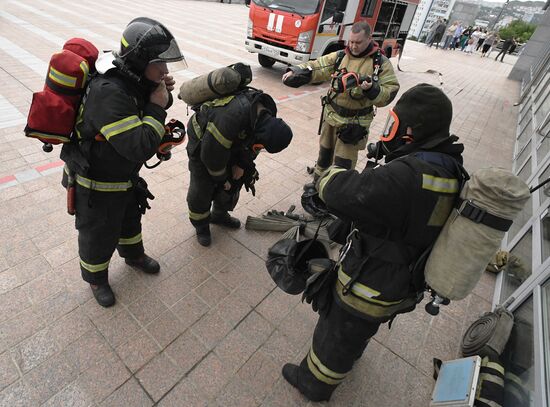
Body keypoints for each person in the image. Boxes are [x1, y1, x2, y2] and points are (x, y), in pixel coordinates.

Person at [281, 83, 466, 402]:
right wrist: (386, 158)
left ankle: (314, 383)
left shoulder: (407, 175)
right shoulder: (448, 168)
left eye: (392, 124)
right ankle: (349, 353)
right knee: (358, 330)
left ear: (408, 130)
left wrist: (335, 167)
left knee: (336, 333)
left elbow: (342, 194)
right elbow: (403, 204)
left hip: (369, 282)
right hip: (401, 281)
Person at [61, 17, 186, 307]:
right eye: (160, 63)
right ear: (141, 60)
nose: (165, 70)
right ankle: (96, 278)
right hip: (97, 182)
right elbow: (139, 147)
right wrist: (156, 106)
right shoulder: (109, 92)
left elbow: (147, 104)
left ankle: (133, 255)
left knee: (130, 218)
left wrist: (158, 94)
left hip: (122, 176)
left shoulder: (134, 77)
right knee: (98, 232)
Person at [281, 21, 399, 192]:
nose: (353, 46)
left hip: (353, 125)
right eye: (351, 41)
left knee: (343, 164)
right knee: (324, 155)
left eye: (358, 42)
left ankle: (334, 197)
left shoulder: (379, 64)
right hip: (331, 118)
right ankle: (317, 185)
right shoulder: (340, 56)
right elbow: (317, 66)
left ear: (369, 39)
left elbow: (390, 92)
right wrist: (296, 71)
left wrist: (372, 89)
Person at [186, 88, 293, 246]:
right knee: (202, 186)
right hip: (204, 142)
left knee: (236, 180)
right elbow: (211, 157)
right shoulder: (230, 117)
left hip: (231, 140)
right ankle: (201, 225)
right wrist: (222, 179)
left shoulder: (266, 117)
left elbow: (253, 144)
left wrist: (242, 164)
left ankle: (219, 214)